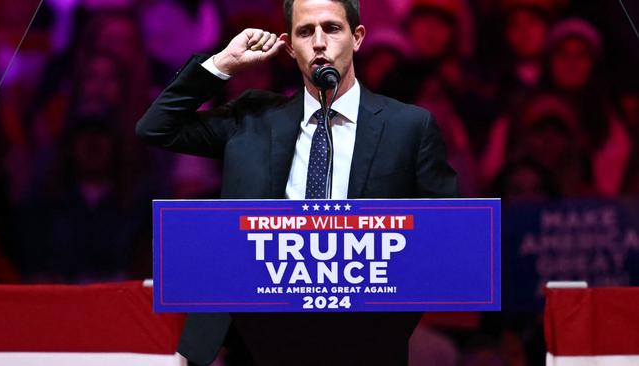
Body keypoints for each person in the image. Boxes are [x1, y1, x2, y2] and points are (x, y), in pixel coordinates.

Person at [136, 0, 457, 364]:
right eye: (305, 32)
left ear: (358, 38)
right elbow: (157, 127)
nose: (319, 42)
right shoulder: (253, 118)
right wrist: (222, 64)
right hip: (254, 341)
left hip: (363, 339)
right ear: (289, 46)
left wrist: (386, 327)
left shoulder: (409, 128)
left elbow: (444, 239)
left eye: (332, 28)